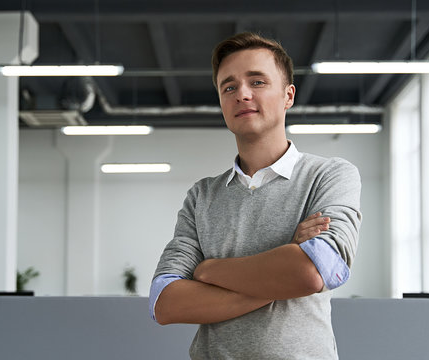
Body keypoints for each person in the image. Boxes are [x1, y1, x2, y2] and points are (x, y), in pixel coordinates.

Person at [149, 32, 362, 359]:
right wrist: (287, 260)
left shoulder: (330, 175)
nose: (242, 94)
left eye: (257, 82)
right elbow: (166, 303)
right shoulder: (202, 196)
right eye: (229, 87)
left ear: (288, 95)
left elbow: (315, 271)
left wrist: (208, 270)